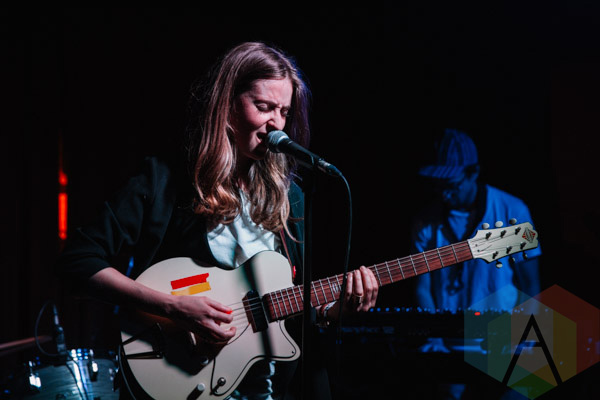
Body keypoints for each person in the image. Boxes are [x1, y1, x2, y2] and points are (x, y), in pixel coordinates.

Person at [56, 41, 378, 400]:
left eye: (284, 112)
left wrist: (335, 310)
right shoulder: (164, 180)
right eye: (263, 107)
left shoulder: (290, 198)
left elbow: (290, 313)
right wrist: (173, 307)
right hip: (183, 379)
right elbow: (78, 262)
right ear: (226, 105)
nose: (276, 123)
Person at [410, 128, 542, 399]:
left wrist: (524, 335)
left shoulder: (513, 210)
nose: (443, 194)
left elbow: (530, 284)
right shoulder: (425, 221)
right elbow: (423, 287)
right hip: (450, 345)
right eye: (437, 185)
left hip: (505, 342)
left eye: (451, 185)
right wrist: (434, 337)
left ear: (474, 173)